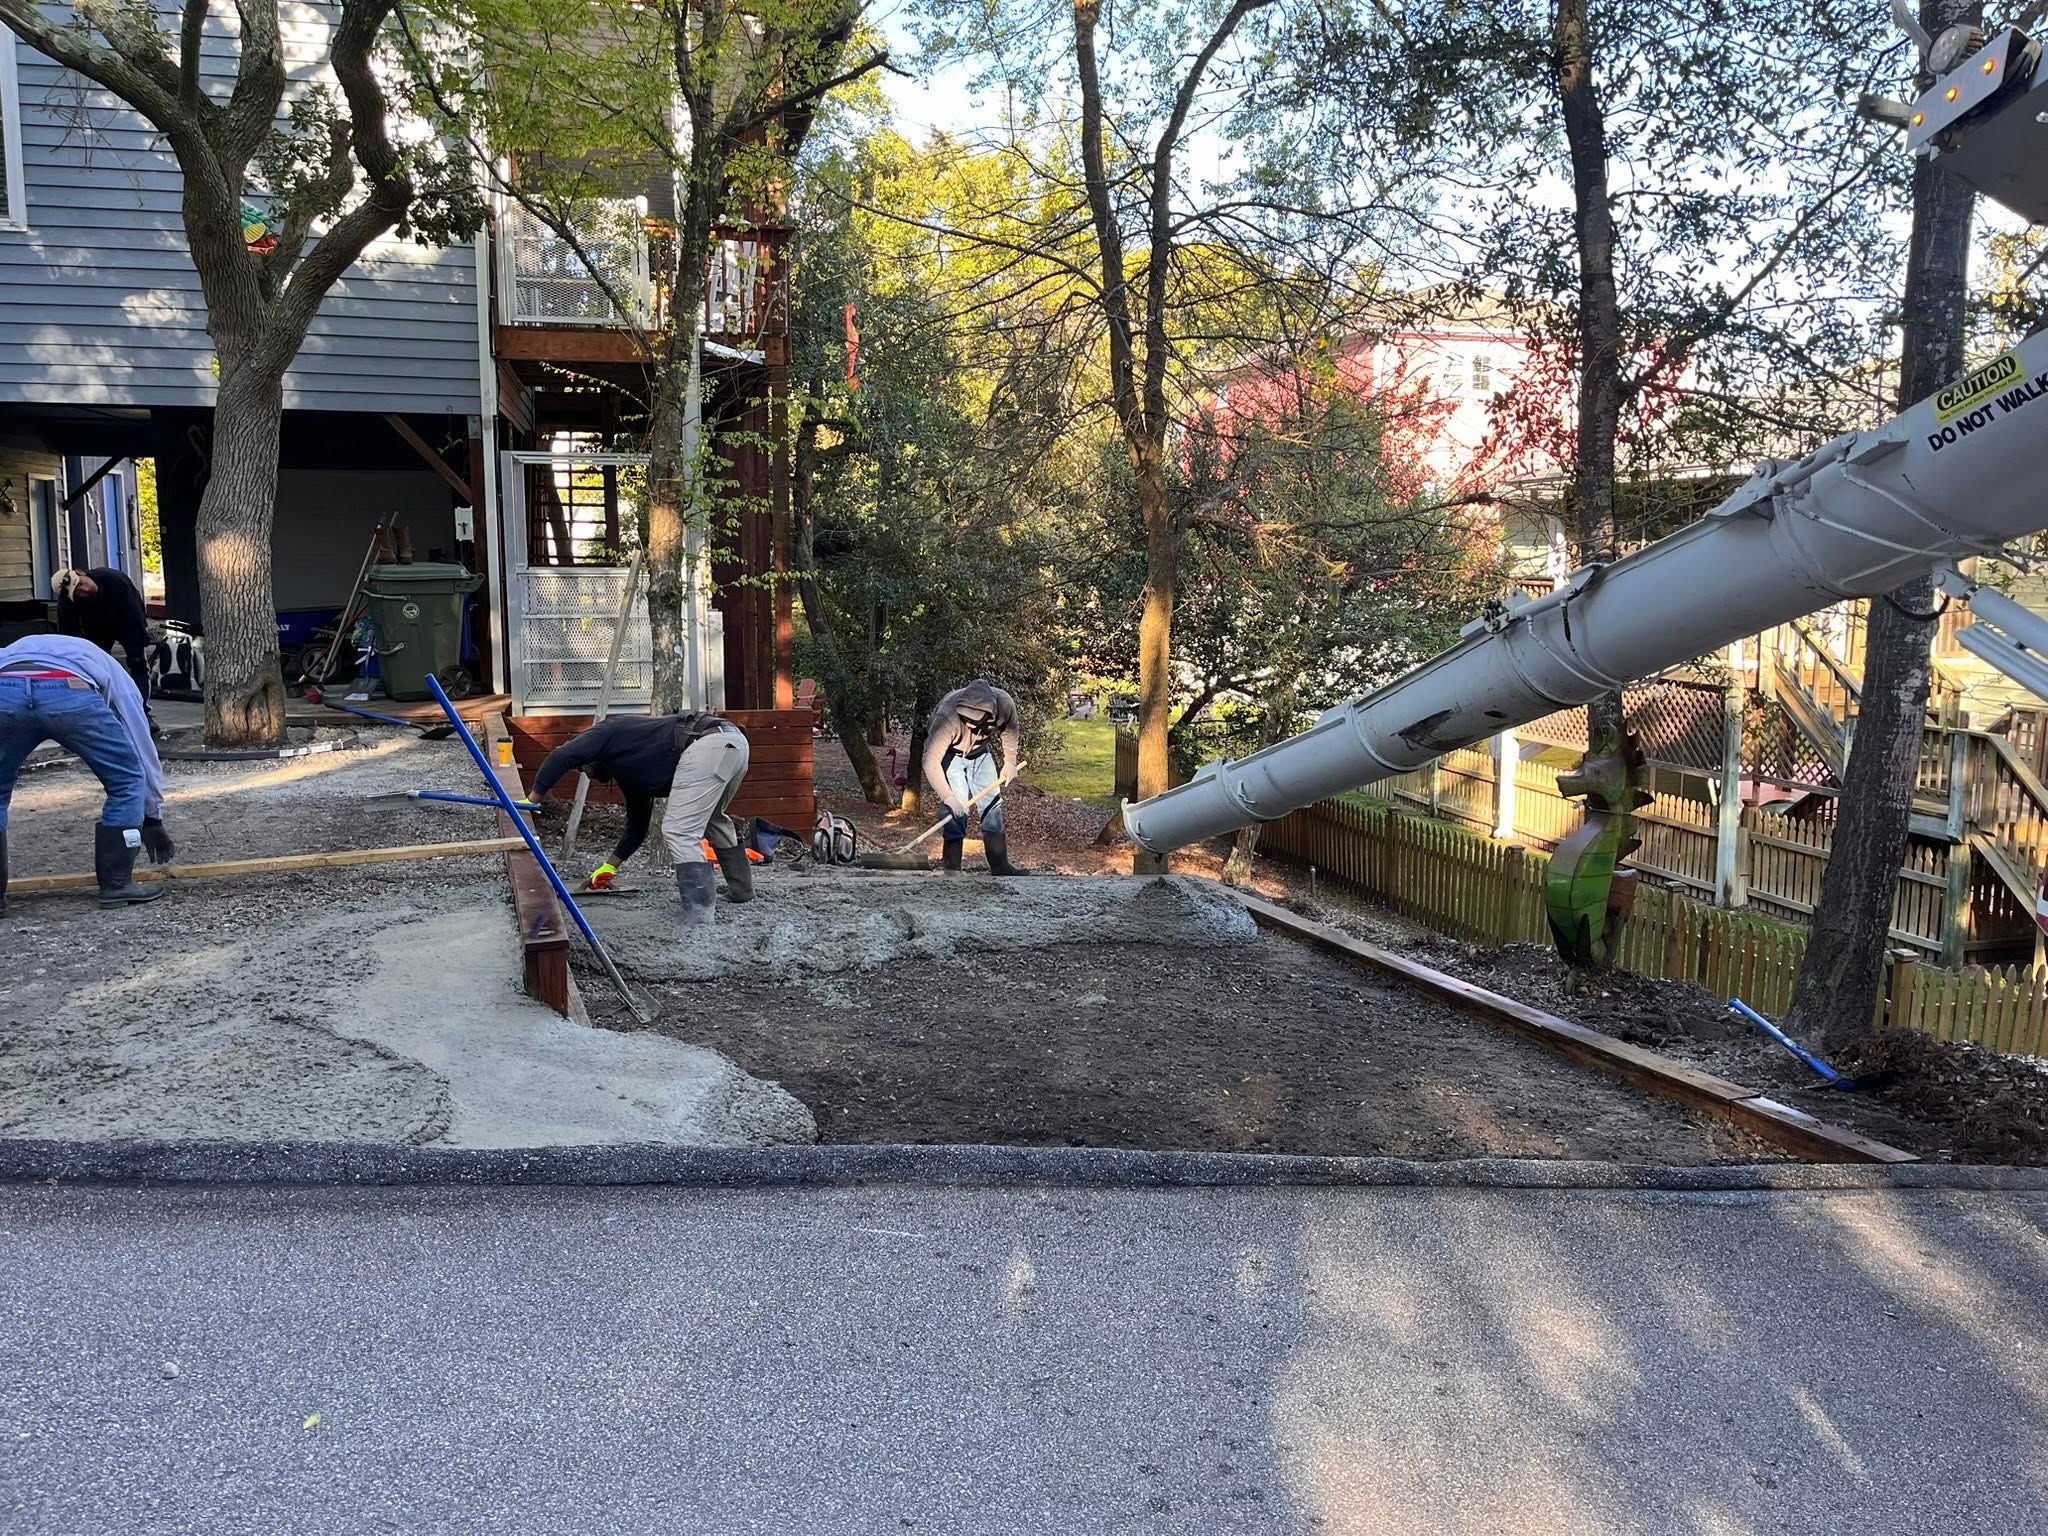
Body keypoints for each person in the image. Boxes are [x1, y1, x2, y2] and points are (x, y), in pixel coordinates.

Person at [0, 632, 176, 915]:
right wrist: (152, 816)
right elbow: (139, 740)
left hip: (4, 687)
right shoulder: (111, 669)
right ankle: (117, 885)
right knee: (127, 780)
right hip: (68, 687)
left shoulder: (11, 650)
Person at [530, 711, 753, 926]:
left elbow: (561, 756)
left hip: (709, 744)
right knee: (714, 818)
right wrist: (609, 867)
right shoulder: (631, 771)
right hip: (733, 745)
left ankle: (700, 915)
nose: (583, 772)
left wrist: (531, 801)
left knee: (679, 831)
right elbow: (637, 829)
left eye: (582, 766)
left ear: (591, 755)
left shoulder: (607, 732)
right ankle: (741, 890)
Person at [922, 678, 1026, 875]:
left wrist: (1010, 762)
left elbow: (1010, 730)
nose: (968, 723)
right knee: (957, 807)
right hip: (950, 754)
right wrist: (948, 797)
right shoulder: (947, 717)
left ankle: (999, 865)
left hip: (980, 753)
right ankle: (952, 867)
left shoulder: (1004, 703)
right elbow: (931, 762)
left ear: (990, 713)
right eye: (966, 718)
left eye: (973, 719)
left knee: (992, 804)